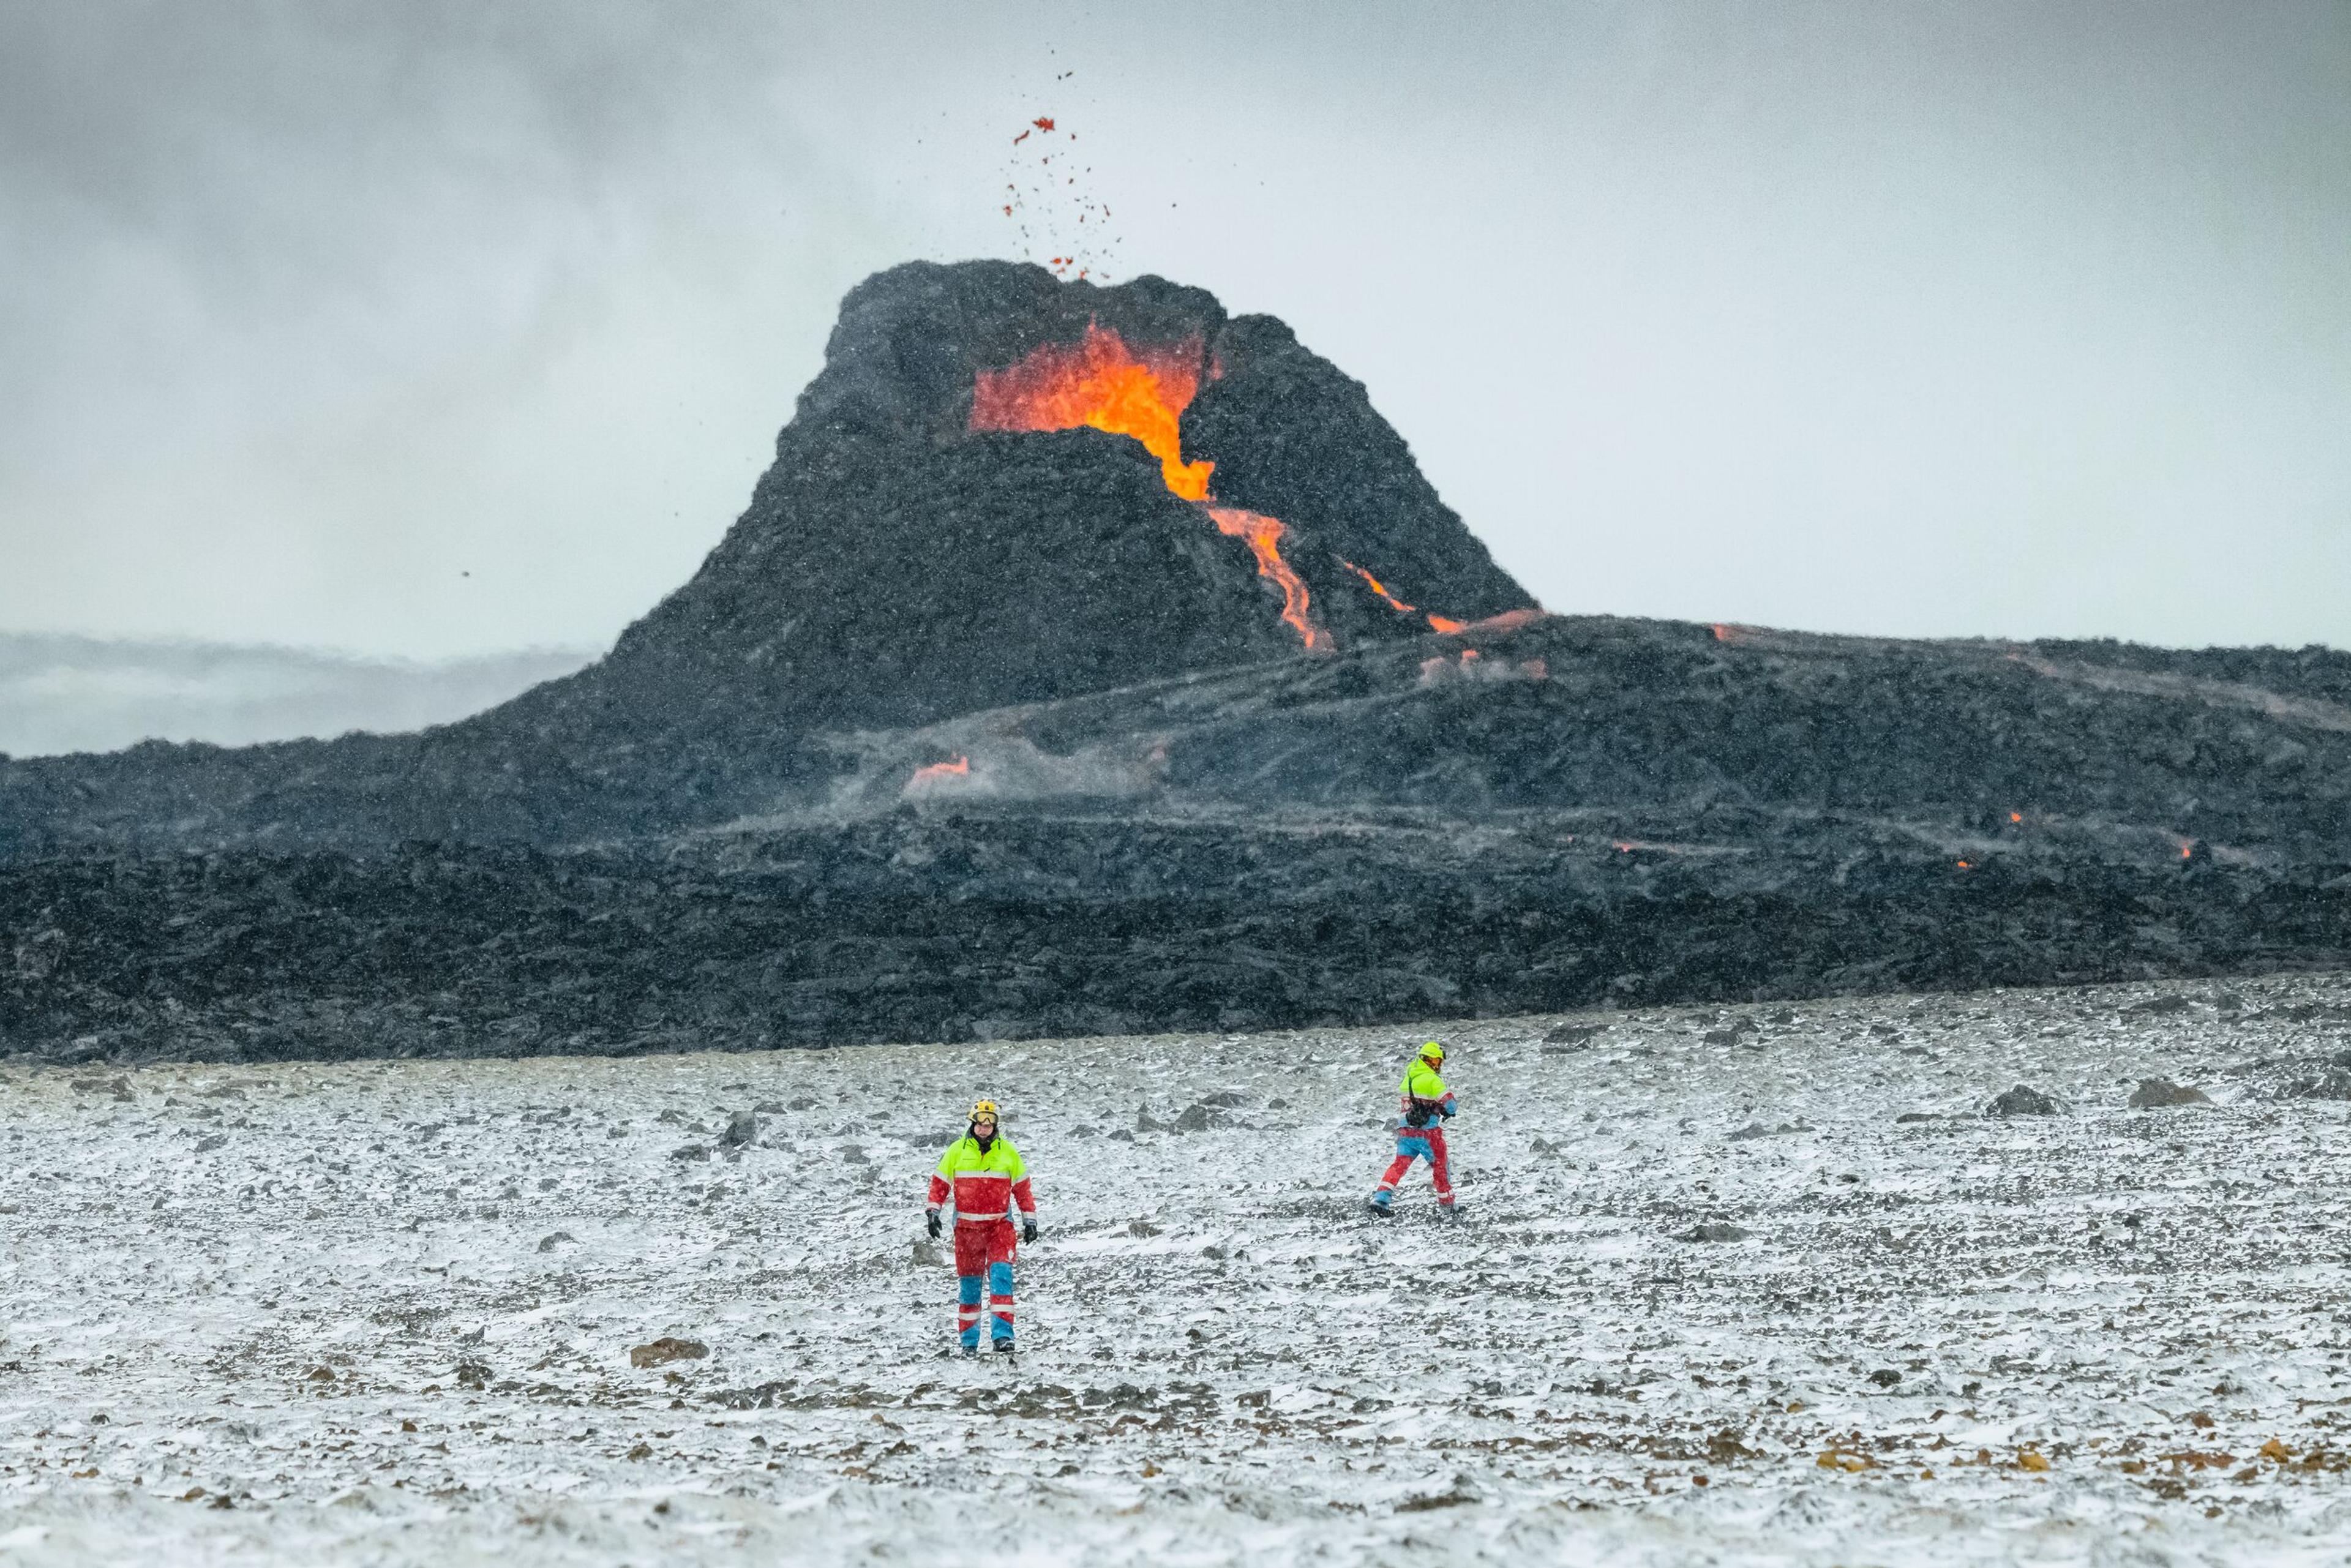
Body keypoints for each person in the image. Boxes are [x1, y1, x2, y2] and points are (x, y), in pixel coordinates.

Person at [925, 1098, 1038, 1355]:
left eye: (990, 1123)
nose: (985, 1128)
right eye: (980, 1123)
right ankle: (969, 1343)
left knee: (1001, 1279)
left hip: (1000, 1228)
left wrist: (1029, 1220)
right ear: (973, 1124)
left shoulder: (1008, 1152)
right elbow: (940, 1184)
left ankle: (1003, 1338)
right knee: (970, 1288)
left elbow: (1023, 1189)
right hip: (967, 1232)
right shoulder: (956, 1151)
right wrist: (933, 1212)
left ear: (996, 1125)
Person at [1368, 1040, 1459, 1221]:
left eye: (1438, 1062)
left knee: (1399, 1165)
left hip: (1405, 1132)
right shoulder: (1433, 1080)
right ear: (1427, 1061)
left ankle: (1380, 1199)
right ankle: (1447, 1205)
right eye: (1435, 1062)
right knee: (1441, 1167)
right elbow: (1450, 1104)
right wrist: (1449, 1110)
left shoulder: (1408, 1078)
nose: (1437, 1066)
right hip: (1428, 1133)